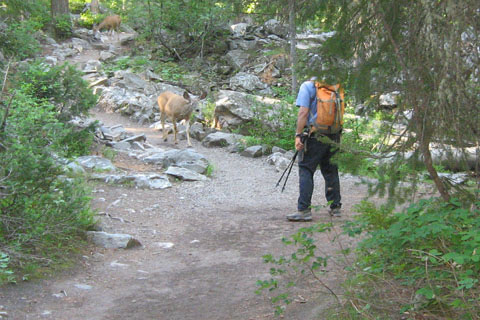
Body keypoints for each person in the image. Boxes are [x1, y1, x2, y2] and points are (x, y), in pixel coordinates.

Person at [286, 77, 342, 222]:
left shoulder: (308, 86)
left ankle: (304, 210)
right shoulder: (335, 86)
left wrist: (298, 135)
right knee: (331, 170)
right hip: (334, 135)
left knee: (306, 169)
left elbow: (303, 113)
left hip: (314, 135)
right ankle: (335, 208)